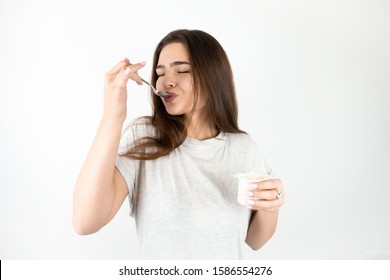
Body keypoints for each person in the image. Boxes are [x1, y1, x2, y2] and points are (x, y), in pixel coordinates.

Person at [72, 29, 285, 259]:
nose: (166, 82)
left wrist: (272, 206)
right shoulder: (144, 139)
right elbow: (85, 222)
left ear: (213, 75)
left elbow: (255, 240)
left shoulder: (244, 148)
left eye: (182, 70)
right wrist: (112, 116)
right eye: (160, 73)